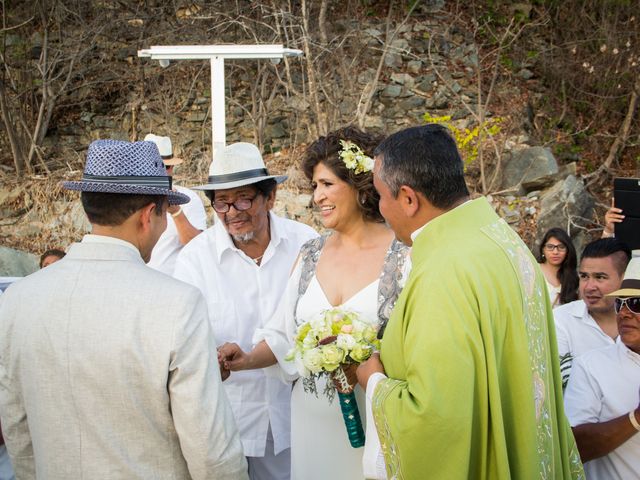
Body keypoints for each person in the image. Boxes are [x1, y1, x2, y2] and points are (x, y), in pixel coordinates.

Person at [0, 140, 246, 479]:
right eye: (163, 215)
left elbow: (16, 424)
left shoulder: (17, 299)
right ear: (149, 215)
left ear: (88, 210)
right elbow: (210, 450)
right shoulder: (177, 304)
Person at [356, 124, 583, 479]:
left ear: (408, 198)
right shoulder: (503, 239)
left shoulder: (444, 270)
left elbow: (435, 416)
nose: (381, 209)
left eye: (381, 196)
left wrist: (372, 381)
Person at [217, 127, 411, 480]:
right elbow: (281, 334)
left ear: (359, 185)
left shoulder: (404, 257)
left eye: (327, 184)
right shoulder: (310, 254)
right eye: (314, 187)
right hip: (310, 420)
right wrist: (246, 360)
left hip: (374, 419)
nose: (317, 197)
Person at [174, 142, 317, 480]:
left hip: (297, 418)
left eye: (242, 199)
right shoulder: (195, 259)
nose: (231, 212)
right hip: (228, 422)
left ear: (270, 198)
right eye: (220, 202)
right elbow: (184, 338)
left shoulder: (305, 243)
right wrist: (213, 358)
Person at [564, 257, 640, 479]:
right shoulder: (591, 366)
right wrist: (635, 418)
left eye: (636, 303)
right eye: (620, 303)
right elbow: (575, 448)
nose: (624, 312)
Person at [554, 238, 631, 386]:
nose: (589, 287)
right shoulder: (561, 321)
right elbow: (566, 385)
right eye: (584, 276)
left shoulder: (636, 319)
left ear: (624, 278)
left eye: (600, 277)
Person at [144, 134, 207, 275]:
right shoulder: (129, 197)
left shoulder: (188, 198)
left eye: (166, 166)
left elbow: (197, 248)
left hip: (172, 286)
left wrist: (176, 211)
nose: (160, 171)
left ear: (172, 167)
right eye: (154, 165)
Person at [537, 227, 579, 307]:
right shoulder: (534, 271)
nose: (555, 252)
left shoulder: (572, 278)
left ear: (568, 250)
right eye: (550, 247)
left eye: (561, 247)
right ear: (543, 249)